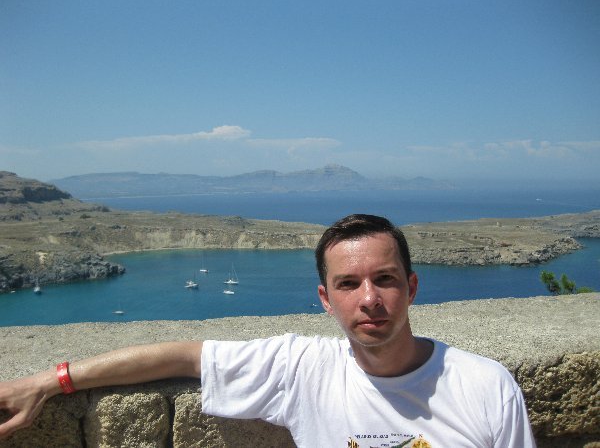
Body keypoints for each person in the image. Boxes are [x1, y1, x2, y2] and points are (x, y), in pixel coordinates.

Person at [0, 214, 536, 447]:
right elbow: (180, 357)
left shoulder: (485, 386)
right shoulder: (301, 368)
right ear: (325, 300)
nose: (369, 299)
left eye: (386, 279)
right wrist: (49, 383)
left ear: (412, 287)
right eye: (348, 284)